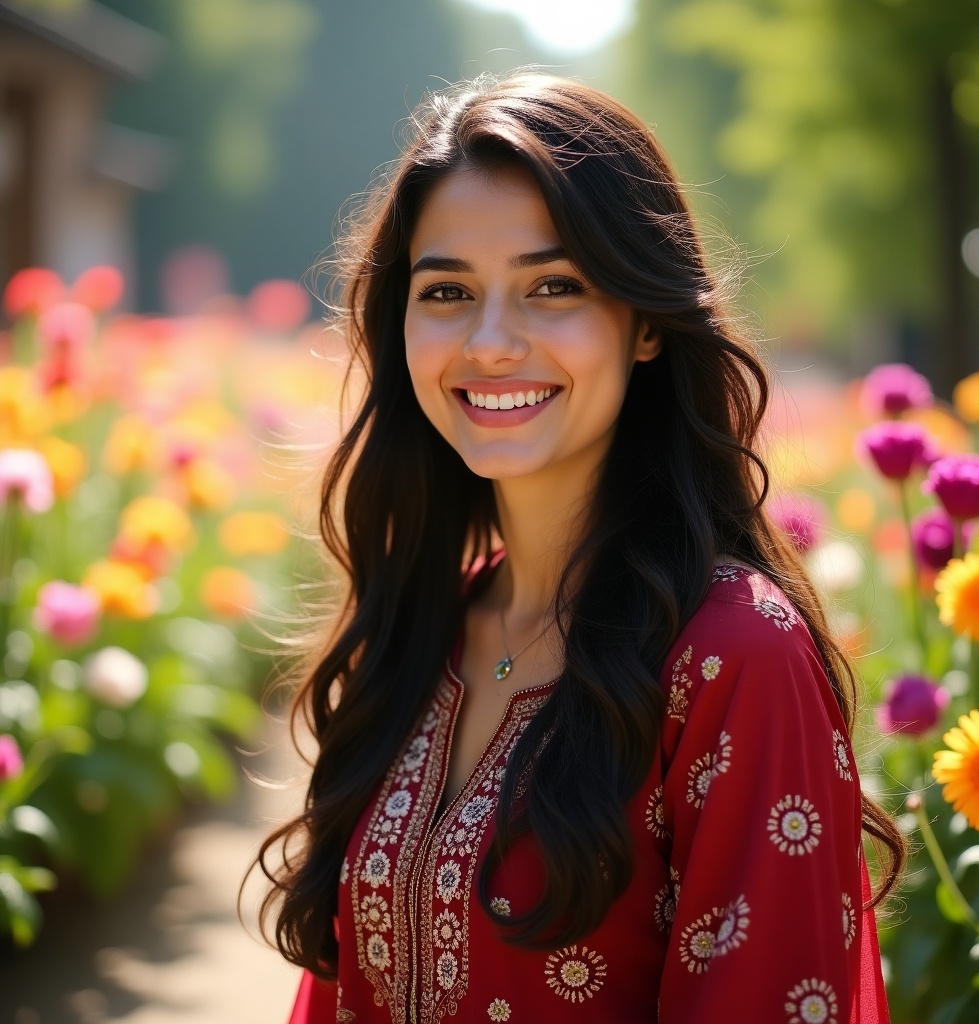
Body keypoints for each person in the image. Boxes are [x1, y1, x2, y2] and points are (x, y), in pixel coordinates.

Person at [255, 72, 905, 1023]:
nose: (489, 341)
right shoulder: (427, 625)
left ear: (645, 323)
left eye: (553, 286)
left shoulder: (733, 658)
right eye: (447, 292)